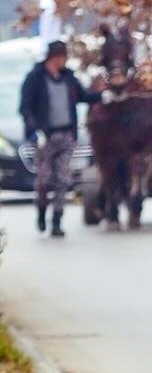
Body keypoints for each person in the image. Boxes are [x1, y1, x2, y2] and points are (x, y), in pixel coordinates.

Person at [18, 40, 102, 237]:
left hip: (66, 135)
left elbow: (83, 96)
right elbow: (25, 107)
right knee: (43, 180)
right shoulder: (35, 78)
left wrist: (102, 95)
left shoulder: (68, 78)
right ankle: (41, 210)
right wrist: (34, 130)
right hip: (45, 137)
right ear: (54, 58)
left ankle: (57, 219)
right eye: (63, 57)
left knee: (62, 180)